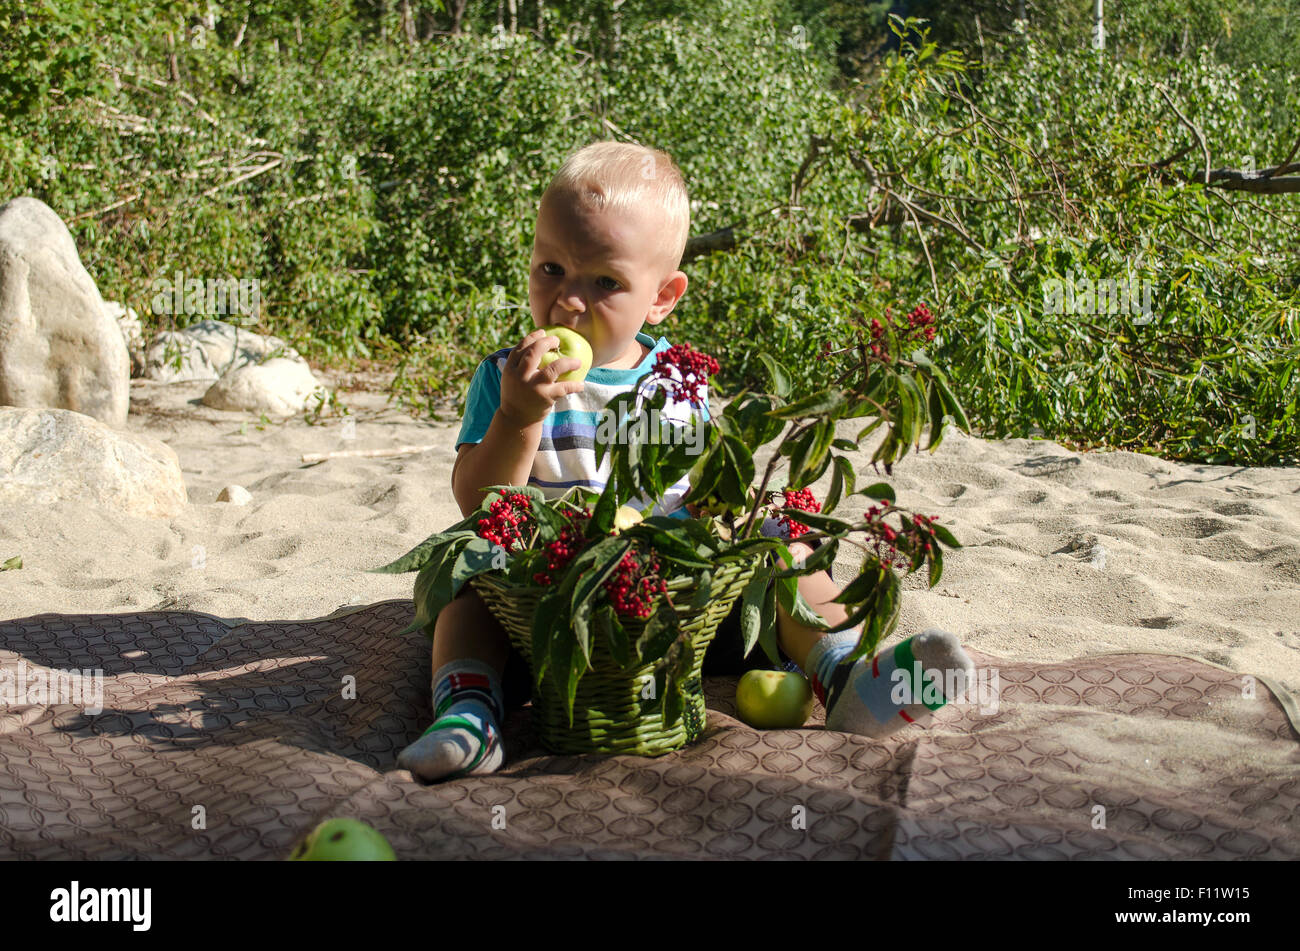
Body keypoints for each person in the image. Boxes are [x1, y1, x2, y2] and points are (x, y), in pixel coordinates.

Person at [397, 141, 975, 784]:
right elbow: (479, 504)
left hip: (682, 615)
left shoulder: (677, 382)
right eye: (551, 268)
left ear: (663, 297)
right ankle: (470, 714)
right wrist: (517, 415)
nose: (568, 302)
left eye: (605, 282)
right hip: (546, 619)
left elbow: (710, 494)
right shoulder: (507, 377)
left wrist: (726, 525)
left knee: (783, 541)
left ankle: (844, 673)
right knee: (467, 569)